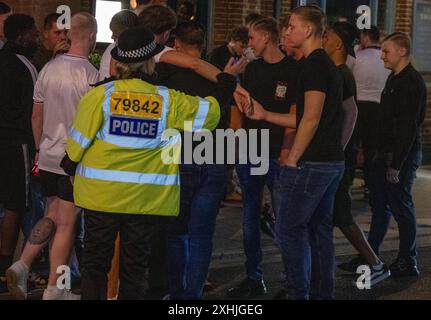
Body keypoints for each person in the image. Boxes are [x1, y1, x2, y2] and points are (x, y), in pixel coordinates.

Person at [59, 25, 240, 300]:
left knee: (95, 265)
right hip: (145, 200)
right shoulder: (166, 99)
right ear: (149, 61)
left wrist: (69, 167)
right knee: (135, 268)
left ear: (118, 61)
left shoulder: (99, 96)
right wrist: (226, 86)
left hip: (100, 197)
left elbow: (75, 147)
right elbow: (209, 116)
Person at [243, 5, 345, 300]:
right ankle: (320, 292)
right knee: (317, 231)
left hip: (312, 163)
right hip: (330, 161)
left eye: (292, 26)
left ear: (308, 30)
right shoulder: (322, 65)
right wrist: (265, 115)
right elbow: (305, 117)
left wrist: (291, 159)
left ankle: (297, 292)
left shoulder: (314, 65)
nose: (286, 31)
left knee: (289, 230)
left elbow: (310, 118)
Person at [7, 12, 99, 300]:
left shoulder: (48, 68)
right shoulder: (91, 76)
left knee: (52, 215)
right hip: (73, 160)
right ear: (92, 38)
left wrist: (39, 149)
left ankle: (22, 265)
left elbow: (37, 115)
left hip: (46, 155)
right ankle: (55, 289)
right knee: (67, 224)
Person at [157, 21, 236, 300]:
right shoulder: (217, 79)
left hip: (180, 158)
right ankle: (192, 296)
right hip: (213, 158)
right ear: (202, 45)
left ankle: (177, 293)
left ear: (176, 45)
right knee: (202, 235)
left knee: (177, 233)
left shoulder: (165, 76)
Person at [227, 17, 298, 298]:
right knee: (249, 219)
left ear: (267, 37)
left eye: (253, 38)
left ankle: (291, 280)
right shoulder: (252, 69)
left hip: (278, 155)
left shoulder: (293, 70)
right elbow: (239, 103)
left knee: (285, 221)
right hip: (251, 153)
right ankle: (254, 277)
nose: (250, 43)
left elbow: (295, 115)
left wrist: (287, 153)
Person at [323, 22, 391, 286]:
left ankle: (374, 263)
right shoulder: (338, 71)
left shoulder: (342, 73)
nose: (322, 39)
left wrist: (338, 149)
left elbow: (351, 114)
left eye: (326, 36)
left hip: (339, 158)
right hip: (339, 157)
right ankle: (319, 269)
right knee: (331, 215)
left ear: (338, 43)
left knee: (341, 214)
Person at [368, 32, 427, 277]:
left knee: (401, 206)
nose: (381, 55)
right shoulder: (395, 78)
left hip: (400, 154)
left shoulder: (409, 81)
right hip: (387, 152)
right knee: (380, 204)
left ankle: (407, 259)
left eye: (386, 51)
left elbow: (407, 126)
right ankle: (370, 253)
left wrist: (397, 163)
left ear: (402, 51)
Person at [0, 13, 39, 294]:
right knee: (16, 203)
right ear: (22, 35)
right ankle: (5, 266)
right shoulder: (25, 64)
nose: (36, 36)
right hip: (17, 142)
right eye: (33, 32)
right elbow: (34, 111)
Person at [350, 26, 391, 196]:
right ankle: (371, 184)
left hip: (357, 105)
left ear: (366, 38)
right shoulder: (385, 59)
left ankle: (347, 182)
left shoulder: (356, 56)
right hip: (378, 107)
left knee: (352, 147)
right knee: (371, 149)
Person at [99, 10, 139, 81]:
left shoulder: (117, 47)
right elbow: (114, 74)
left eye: (115, 31)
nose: (112, 36)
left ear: (126, 31)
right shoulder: (114, 48)